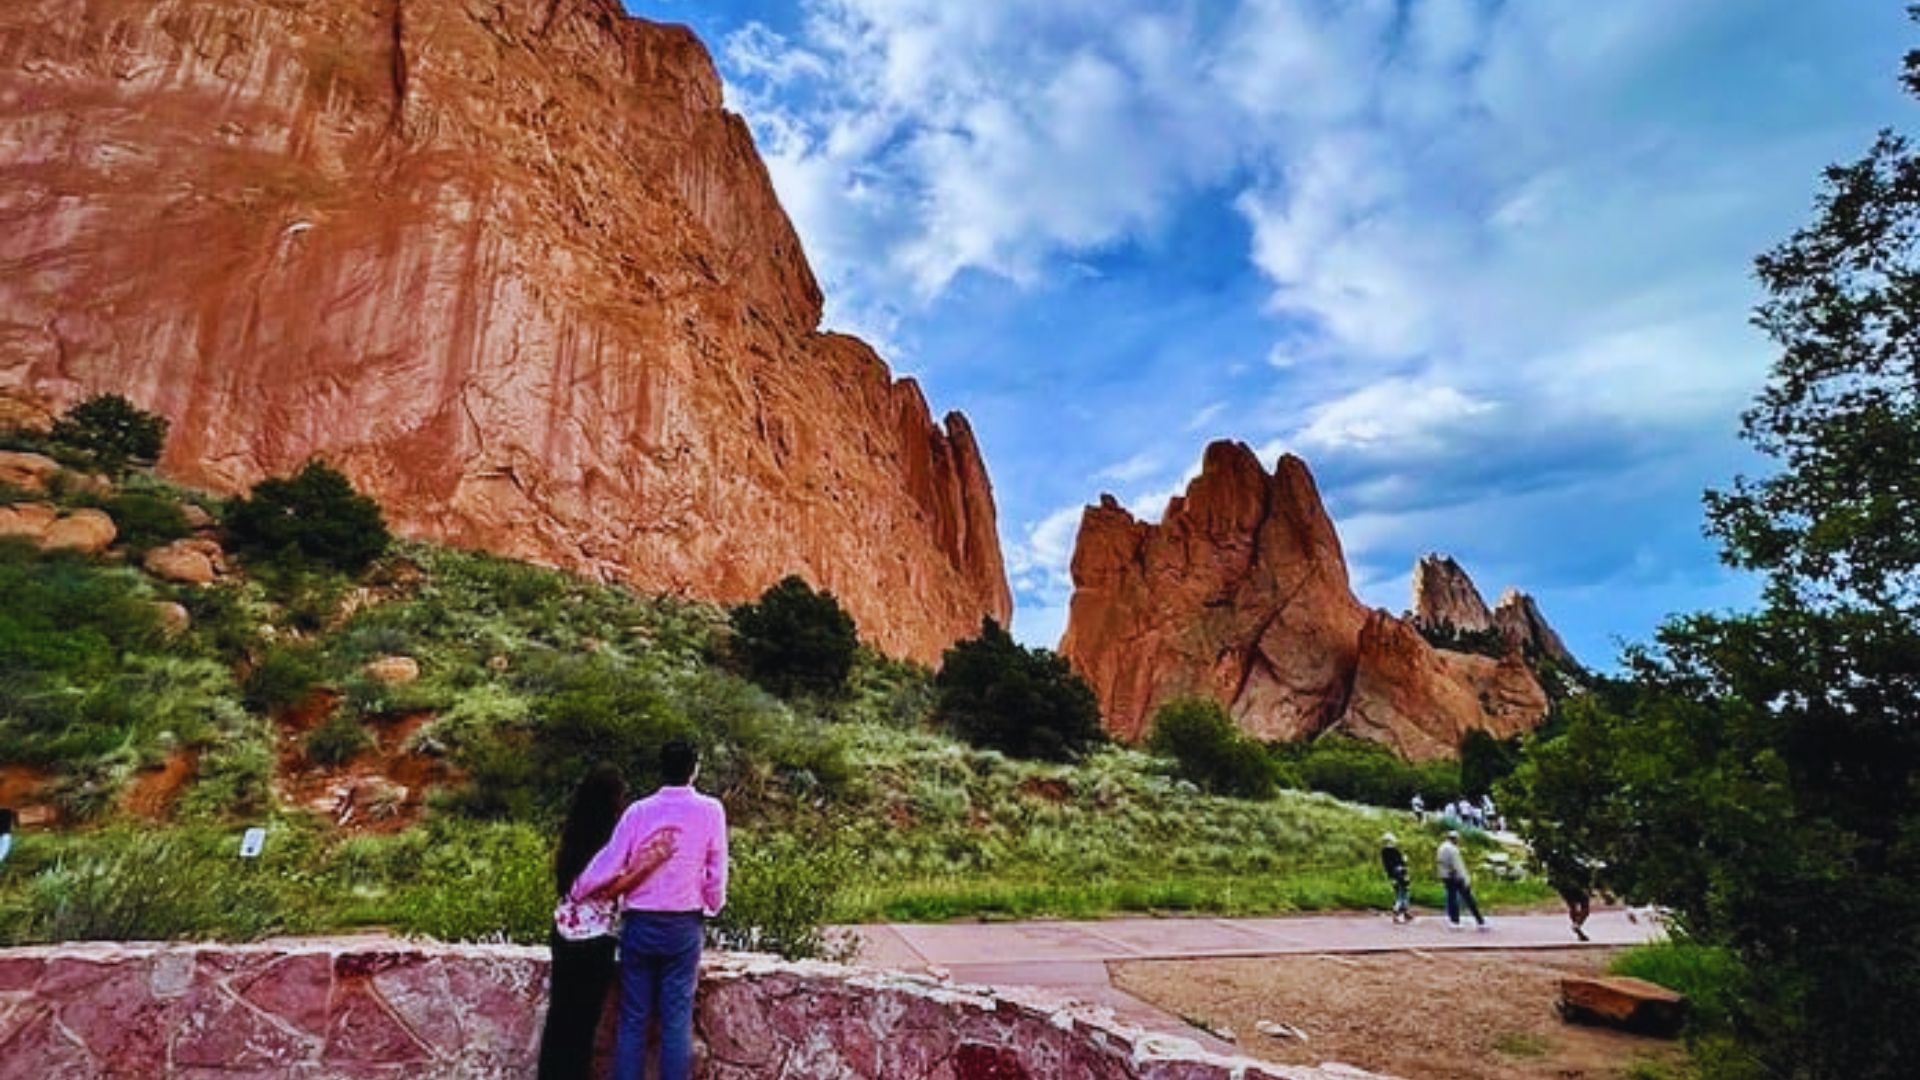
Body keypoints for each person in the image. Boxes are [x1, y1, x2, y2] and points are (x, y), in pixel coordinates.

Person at [573, 738, 729, 1080]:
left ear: (662, 767)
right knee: (676, 1018)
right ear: (695, 768)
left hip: (640, 922)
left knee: (632, 1017)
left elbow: (611, 860)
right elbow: (717, 868)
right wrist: (713, 903)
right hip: (683, 925)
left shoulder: (639, 811)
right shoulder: (710, 810)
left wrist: (580, 888)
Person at [537, 766, 679, 1080]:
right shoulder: (607, 840)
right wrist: (649, 865)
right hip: (595, 937)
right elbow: (605, 889)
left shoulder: (575, 836)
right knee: (583, 1021)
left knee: (560, 1017)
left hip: (565, 932)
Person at [1435, 829, 1486, 929]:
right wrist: (1465, 878)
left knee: (1451, 897)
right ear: (1455, 839)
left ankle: (1454, 920)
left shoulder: (1441, 848)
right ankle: (1479, 920)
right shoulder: (1453, 850)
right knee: (1468, 898)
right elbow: (1458, 865)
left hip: (1446, 876)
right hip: (1456, 876)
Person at [1379, 833, 1412, 923]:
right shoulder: (1395, 852)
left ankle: (1406, 912)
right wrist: (1404, 860)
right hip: (1400, 874)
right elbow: (1401, 863)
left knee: (1399, 893)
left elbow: (1387, 866)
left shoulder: (1383, 852)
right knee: (1403, 893)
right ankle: (1397, 912)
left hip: (1391, 875)